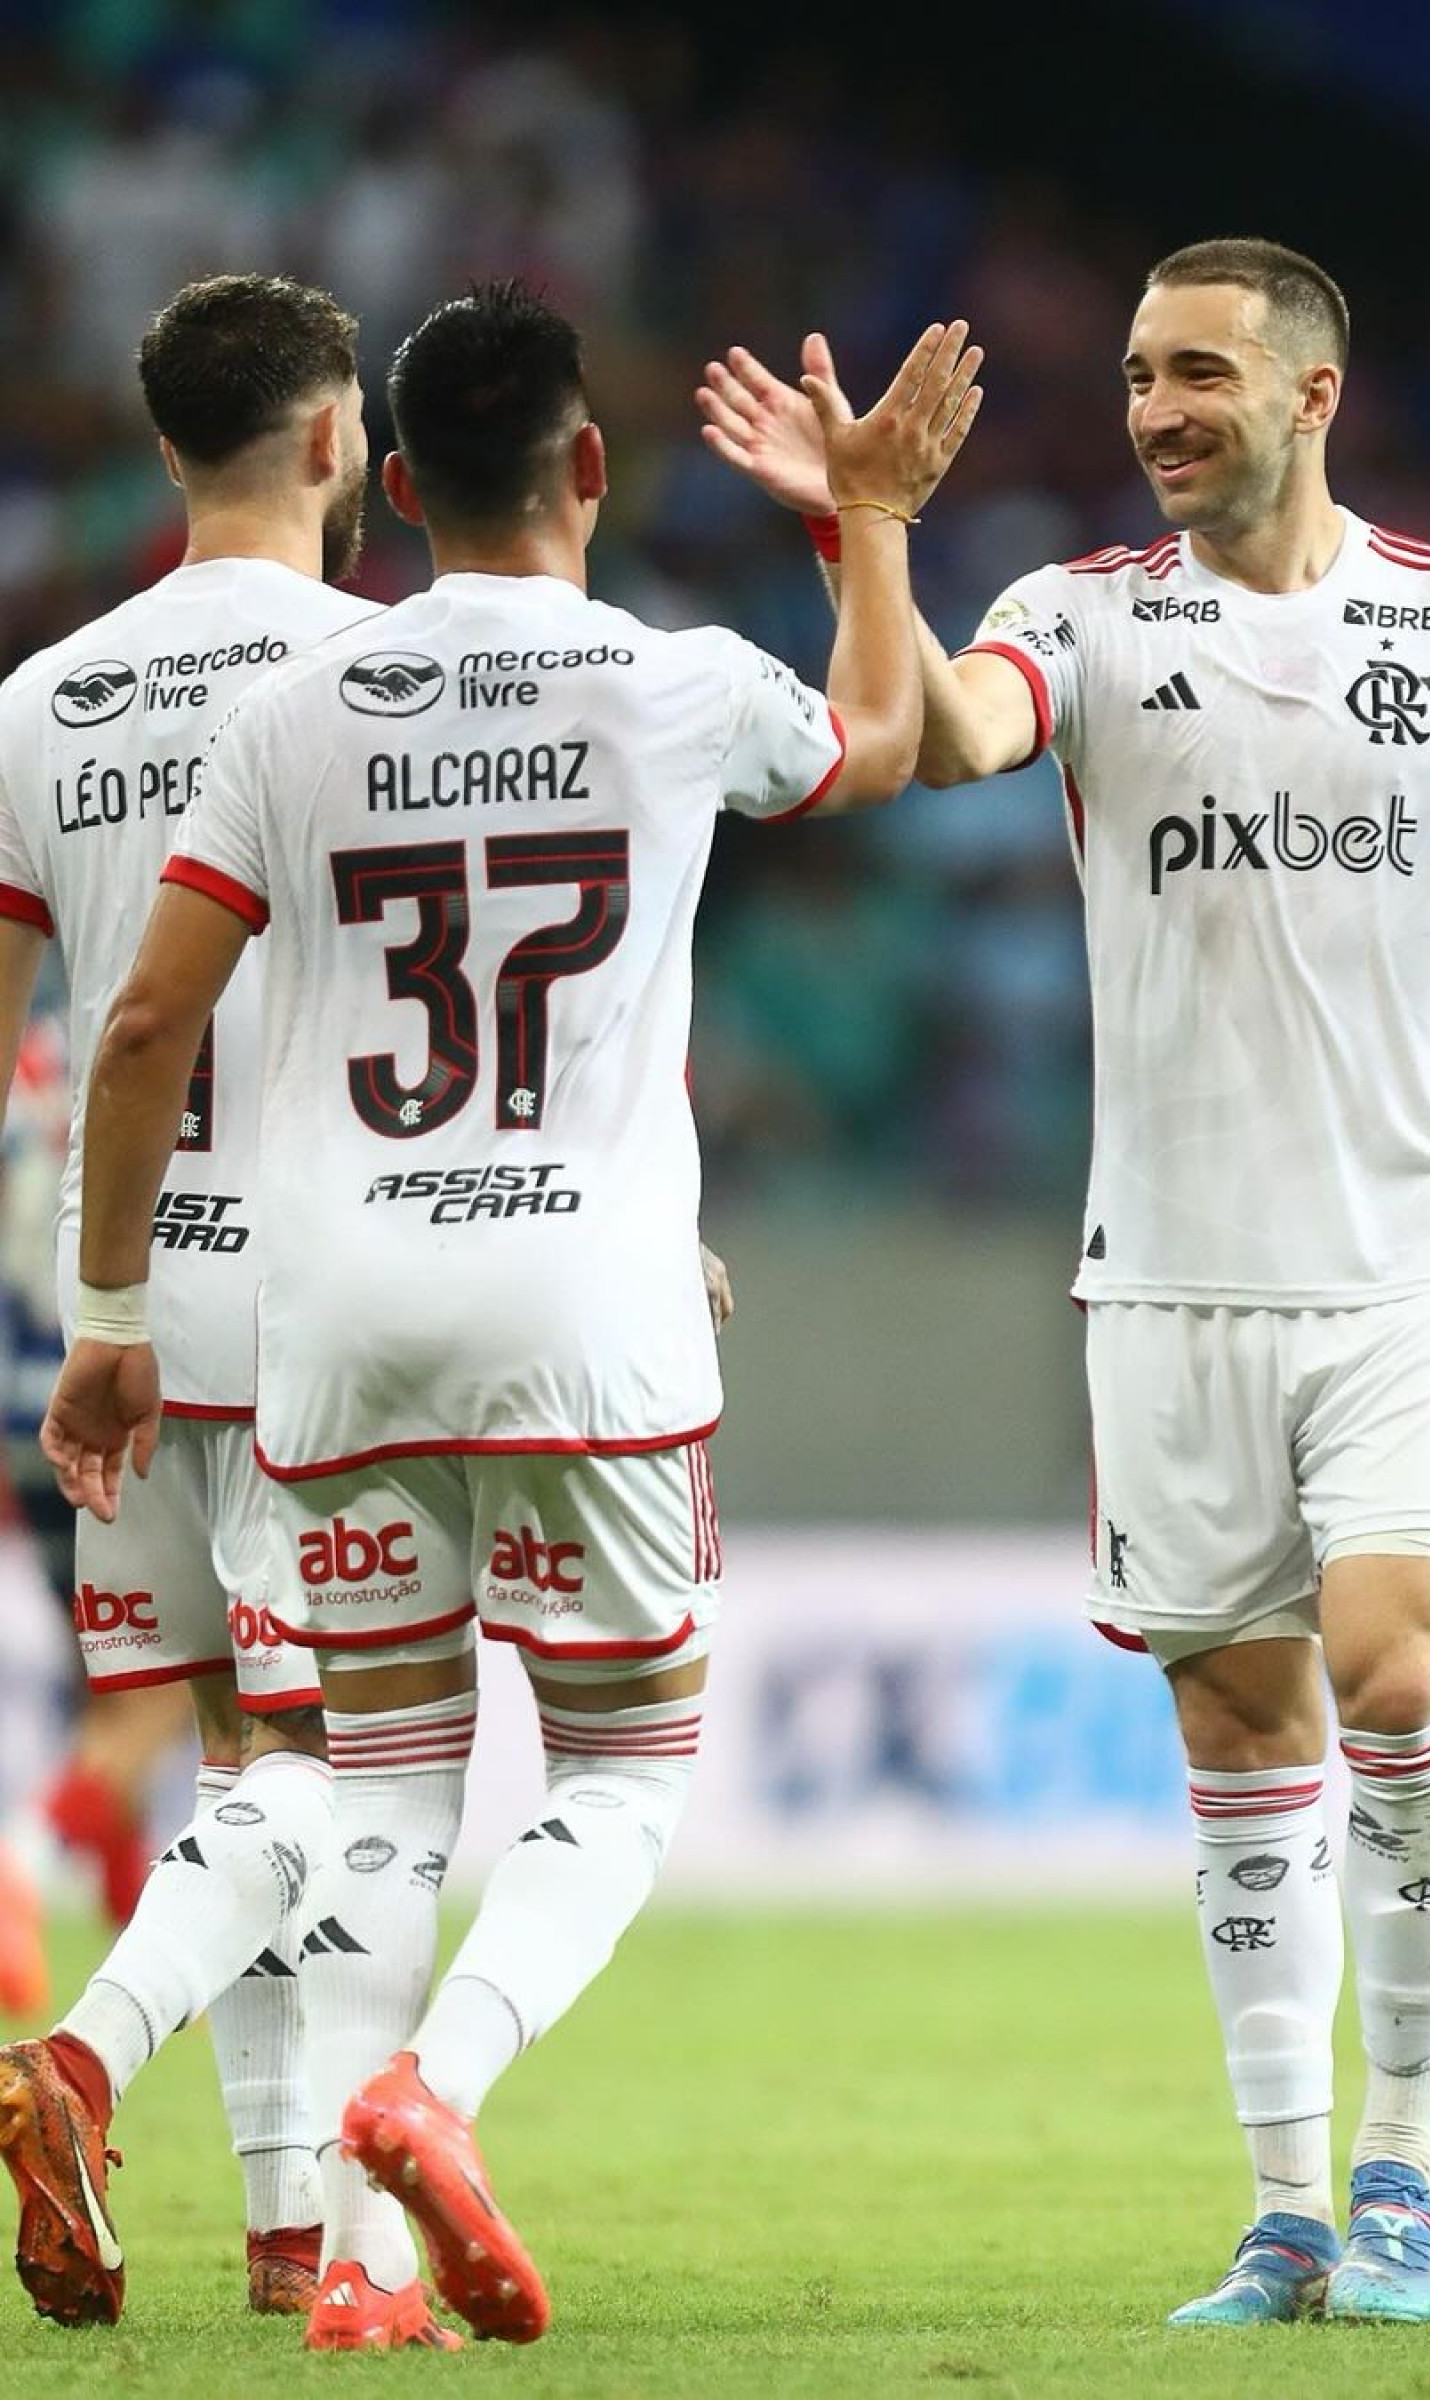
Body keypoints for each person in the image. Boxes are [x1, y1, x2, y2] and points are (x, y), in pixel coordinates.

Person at [697, 235, 1430, 2326]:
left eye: (1200, 374)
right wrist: (866, 528)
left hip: (1403, 1259)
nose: (1156, 410)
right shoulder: (1077, 613)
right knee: (1241, 1732)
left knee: (1398, 1677)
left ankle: (1403, 2178)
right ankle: (1283, 2214)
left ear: (1313, 393)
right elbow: (930, 737)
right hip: (1167, 1276)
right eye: (1140, 374)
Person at [40, 280, 980, 2351]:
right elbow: (893, 741)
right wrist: (872, 517)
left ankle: (358, 2278)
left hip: (340, 1322)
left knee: (381, 1780)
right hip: (585, 1304)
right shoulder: (677, 681)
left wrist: (108, 1311)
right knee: (625, 1764)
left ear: (394, 485)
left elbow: (143, 1028)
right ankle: (433, 2088)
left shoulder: (292, 713)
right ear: (593, 465)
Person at [0, 272, 375, 2328]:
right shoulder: (384, 674)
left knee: (243, 1758)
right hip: (330, 1287)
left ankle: (285, 2222)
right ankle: (79, 2055)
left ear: (165, 449)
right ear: (334, 438)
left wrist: (82, 1295)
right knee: (344, 1760)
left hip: (121, 1295)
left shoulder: (38, 703)